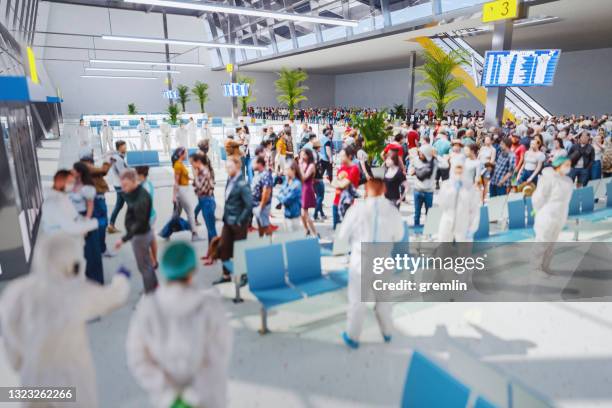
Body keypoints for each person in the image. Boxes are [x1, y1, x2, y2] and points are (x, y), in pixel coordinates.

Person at [0, 234, 130, 408]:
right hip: (68, 383)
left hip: (31, 381)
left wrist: (19, 363)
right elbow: (111, 297)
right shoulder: (72, 293)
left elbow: (10, 344)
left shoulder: (15, 292)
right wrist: (121, 279)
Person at [126, 242, 232, 408]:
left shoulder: (147, 309)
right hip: (209, 397)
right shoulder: (211, 307)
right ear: (192, 272)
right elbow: (219, 354)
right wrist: (194, 394)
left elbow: (138, 359)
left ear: (164, 272)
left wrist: (171, 395)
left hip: (166, 401)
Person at [338, 178, 405, 348]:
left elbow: (342, 236)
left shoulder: (356, 209)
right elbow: (398, 235)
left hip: (362, 260)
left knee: (357, 301)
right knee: (383, 301)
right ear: (383, 189)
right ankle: (387, 332)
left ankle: (352, 336)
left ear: (366, 189)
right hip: (383, 259)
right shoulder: (392, 210)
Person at [114, 168, 158, 293]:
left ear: (134, 181)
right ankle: (154, 287)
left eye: (125, 185)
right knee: (147, 264)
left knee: (144, 267)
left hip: (140, 236)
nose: (123, 188)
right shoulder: (137, 192)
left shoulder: (141, 198)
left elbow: (139, 223)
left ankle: (150, 294)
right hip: (143, 233)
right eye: (122, 186)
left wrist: (123, 239)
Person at [531, 156, 573, 274]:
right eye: (566, 165)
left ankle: (545, 266)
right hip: (547, 215)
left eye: (569, 165)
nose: (568, 167)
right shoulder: (547, 179)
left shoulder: (567, 181)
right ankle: (536, 268)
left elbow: (566, 200)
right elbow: (538, 198)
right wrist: (538, 211)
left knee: (551, 243)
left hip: (560, 215)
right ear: (558, 165)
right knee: (542, 242)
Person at [215, 156, 252, 285]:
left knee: (239, 250)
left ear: (237, 167)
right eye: (227, 166)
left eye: (230, 167)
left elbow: (249, 205)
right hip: (228, 221)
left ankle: (244, 275)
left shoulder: (242, 183)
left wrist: (240, 220)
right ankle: (226, 275)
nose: (227, 169)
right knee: (223, 247)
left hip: (238, 224)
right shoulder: (229, 180)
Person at [70, 161, 104, 284]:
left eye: (73, 170)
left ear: (79, 172)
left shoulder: (87, 188)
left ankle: (94, 281)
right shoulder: (72, 185)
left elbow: (90, 207)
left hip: (85, 220)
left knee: (90, 253)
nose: (71, 171)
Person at [40, 169, 99, 237]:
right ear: (60, 181)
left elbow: (74, 216)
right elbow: (69, 226)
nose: (72, 185)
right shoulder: (53, 202)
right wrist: (94, 223)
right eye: (70, 182)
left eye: (73, 183)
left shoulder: (63, 197)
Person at [79, 149, 113, 257]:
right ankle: (101, 249)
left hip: (96, 199)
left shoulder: (85, 167)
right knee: (102, 223)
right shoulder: (87, 167)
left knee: (99, 224)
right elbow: (103, 171)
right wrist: (108, 159)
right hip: (97, 199)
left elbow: (100, 174)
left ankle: (99, 248)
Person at [437, 163, 481, 242]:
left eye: (461, 171)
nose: (458, 174)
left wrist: (472, 228)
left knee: (463, 250)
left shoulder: (470, 188)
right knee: (444, 247)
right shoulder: (446, 185)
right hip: (448, 220)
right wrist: (453, 190)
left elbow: (475, 210)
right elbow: (441, 203)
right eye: (456, 170)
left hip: (463, 223)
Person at [172, 147, 201, 241]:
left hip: (183, 189)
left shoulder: (181, 164)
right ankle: (194, 234)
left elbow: (185, 177)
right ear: (181, 154)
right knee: (190, 212)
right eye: (186, 153)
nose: (187, 154)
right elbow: (176, 182)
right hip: (181, 191)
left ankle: (166, 231)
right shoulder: (178, 165)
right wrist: (174, 196)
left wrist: (193, 180)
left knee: (176, 214)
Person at [408, 144, 437, 227]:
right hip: (418, 190)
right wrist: (414, 170)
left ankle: (429, 232)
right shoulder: (416, 160)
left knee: (429, 213)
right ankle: (416, 232)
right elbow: (410, 172)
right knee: (417, 213)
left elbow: (444, 165)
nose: (420, 155)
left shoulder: (434, 161)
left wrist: (436, 156)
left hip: (429, 191)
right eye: (419, 153)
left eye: (422, 153)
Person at [332, 146, 361, 229]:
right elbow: (333, 183)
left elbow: (342, 185)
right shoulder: (341, 168)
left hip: (347, 204)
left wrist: (339, 183)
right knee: (336, 230)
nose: (340, 158)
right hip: (336, 202)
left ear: (350, 156)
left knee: (346, 231)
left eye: (342, 156)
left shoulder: (354, 169)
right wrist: (339, 183)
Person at [192, 153, 218, 242]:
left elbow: (199, 188)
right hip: (205, 200)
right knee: (210, 228)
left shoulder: (203, 172)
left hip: (206, 200)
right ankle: (211, 252)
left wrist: (195, 177)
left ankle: (216, 250)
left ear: (198, 162)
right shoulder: (202, 171)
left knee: (211, 229)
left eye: (193, 163)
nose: (192, 165)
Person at [137, 165, 158, 269]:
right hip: (151, 215)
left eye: (137, 175)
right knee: (151, 238)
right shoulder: (148, 184)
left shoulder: (144, 187)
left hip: (147, 217)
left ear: (141, 175)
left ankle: (152, 261)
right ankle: (154, 260)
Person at [108, 140, 130, 234]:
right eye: (124, 146)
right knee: (133, 204)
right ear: (119, 147)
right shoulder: (118, 158)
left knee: (119, 205)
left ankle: (111, 225)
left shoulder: (118, 157)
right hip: (121, 185)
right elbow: (123, 173)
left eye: (125, 145)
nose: (125, 147)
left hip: (118, 184)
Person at [277, 160, 303, 232]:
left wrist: (281, 197)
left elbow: (287, 199)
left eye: (286, 169)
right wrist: (282, 196)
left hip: (294, 216)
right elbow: (279, 194)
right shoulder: (286, 181)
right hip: (286, 214)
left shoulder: (297, 184)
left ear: (293, 170)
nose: (284, 171)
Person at [251, 156, 274, 236]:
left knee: (266, 227)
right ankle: (262, 243)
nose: (252, 165)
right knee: (261, 226)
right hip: (257, 205)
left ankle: (271, 246)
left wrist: (261, 207)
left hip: (262, 206)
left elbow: (266, 192)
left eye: (254, 163)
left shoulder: (266, 175)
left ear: (260, 164)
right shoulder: (258, 174)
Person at [299, 148, 318, 236]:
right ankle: (307, 230)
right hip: (302, 189)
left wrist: (300, 166)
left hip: (307, 189)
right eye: (301, 154)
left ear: (308, 155)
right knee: (302, 214)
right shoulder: (302, 164)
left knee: (304, 213)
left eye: (303, 154)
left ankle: (314, 233)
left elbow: (304, 177)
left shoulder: (311, 165)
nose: (301, 156)